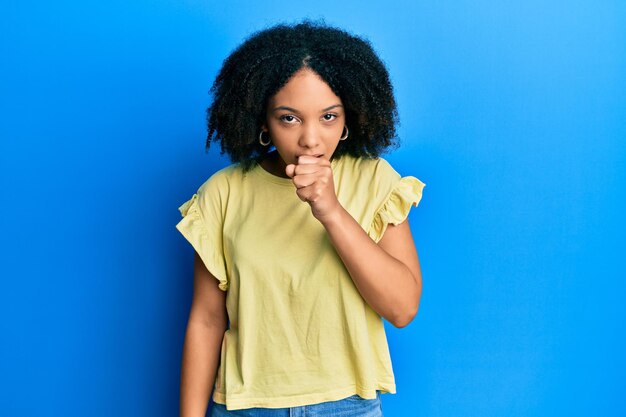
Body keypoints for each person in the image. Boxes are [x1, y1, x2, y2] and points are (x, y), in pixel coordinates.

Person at [175, 19, 425, 417]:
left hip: (348, 407)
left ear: (349, 118)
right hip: (246, 407)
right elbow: (206, 321)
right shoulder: (222, 193)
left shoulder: (375, 180)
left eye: (329, 116)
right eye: (289, 118)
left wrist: (331, 211)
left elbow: (402, 308)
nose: (311, 139)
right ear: (262, 120)